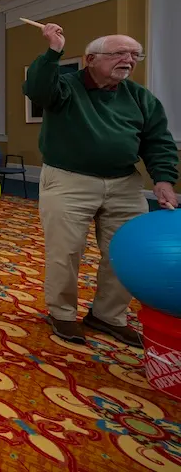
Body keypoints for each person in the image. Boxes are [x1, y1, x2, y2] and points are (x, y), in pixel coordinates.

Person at [24, 25, 178, 348]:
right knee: (65, 250)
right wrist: (53, 51)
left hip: (124, 183)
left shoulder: (140, 98)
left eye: (134, 55)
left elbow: (157, 141)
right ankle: (62, 313)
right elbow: (36, 89)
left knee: (124, 253)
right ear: (91, 59)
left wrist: (163, 179)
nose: (128, 60)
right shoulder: (65, 87)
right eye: (119, 54)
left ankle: (109, 315)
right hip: (69, 179)